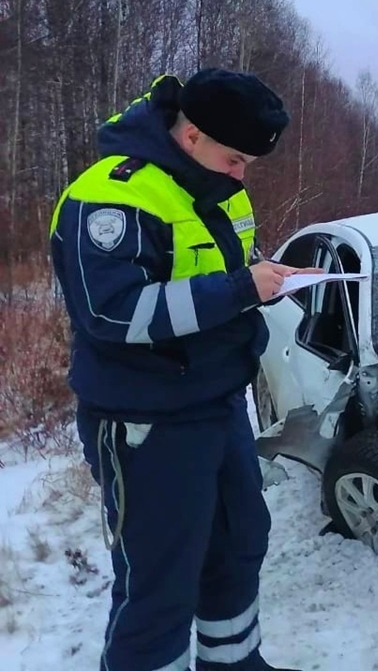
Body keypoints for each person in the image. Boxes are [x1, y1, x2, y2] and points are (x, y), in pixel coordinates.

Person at [48, 68, 311, 671]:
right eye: (235, 157)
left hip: (218, 404)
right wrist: (242, 288)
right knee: (160, 580)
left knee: (238, 546)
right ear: (191, 135)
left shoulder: (219, 186)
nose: (241, 172)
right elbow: (110, 314)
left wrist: (267, 281)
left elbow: (222, 273)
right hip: (145, 420)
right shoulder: (113, 197)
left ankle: (235, 665)